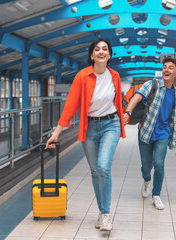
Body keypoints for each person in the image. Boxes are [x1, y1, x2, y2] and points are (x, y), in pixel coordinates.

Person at [46, 38, 125, 231]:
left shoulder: (114, 75)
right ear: (91, 55)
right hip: (89, 127)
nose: (101, 52)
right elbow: (70, 106)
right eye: (97, 49)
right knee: (95, 171)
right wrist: (56, 133)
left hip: (111, 124)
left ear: (109, 55)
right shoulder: (82, 76)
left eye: (105, 49)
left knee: (103, 167)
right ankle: (101, 211)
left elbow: (118, 101)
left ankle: (106, 214)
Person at [123, 57, 176, 210]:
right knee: (146, 166)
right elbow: (136, 97)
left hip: (163, 134)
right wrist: (128, 112)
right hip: (146, 131)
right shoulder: (152, 85)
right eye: (165, 67)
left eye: (170, 68)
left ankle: (156, 195)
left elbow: (173, 111)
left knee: (159, 164)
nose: (166, 70)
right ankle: (146, 180)